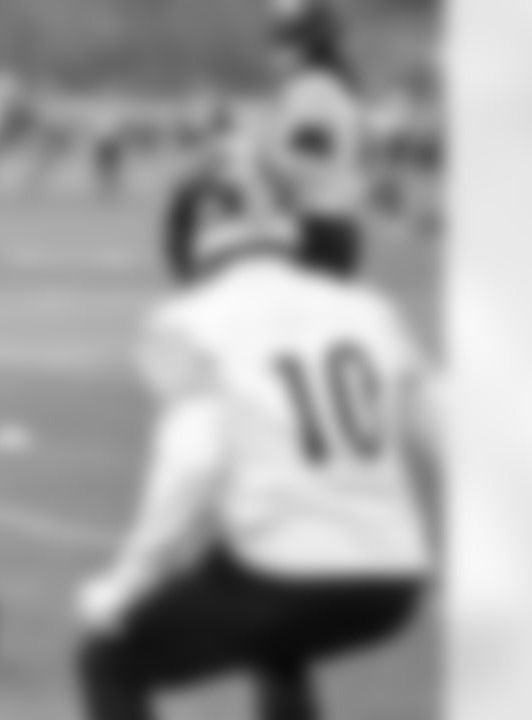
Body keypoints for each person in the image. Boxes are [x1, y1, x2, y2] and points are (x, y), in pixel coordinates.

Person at [75, 143, 439, 720]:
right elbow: (440, 423)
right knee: (276, 642)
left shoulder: (183, 322)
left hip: (287, 570)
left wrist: (127, 579)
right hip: (396, 577)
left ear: (193, 231)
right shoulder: (368, 308)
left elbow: (191, 461)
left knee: (111, 658)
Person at [264, 0, 368, 277]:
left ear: (302, 48)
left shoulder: (310, 92)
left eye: (282, 43)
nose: (274, 56)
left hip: (314, 228)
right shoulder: (335, 87)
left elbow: (302, 162)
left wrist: (263, 167)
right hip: (336, 223)